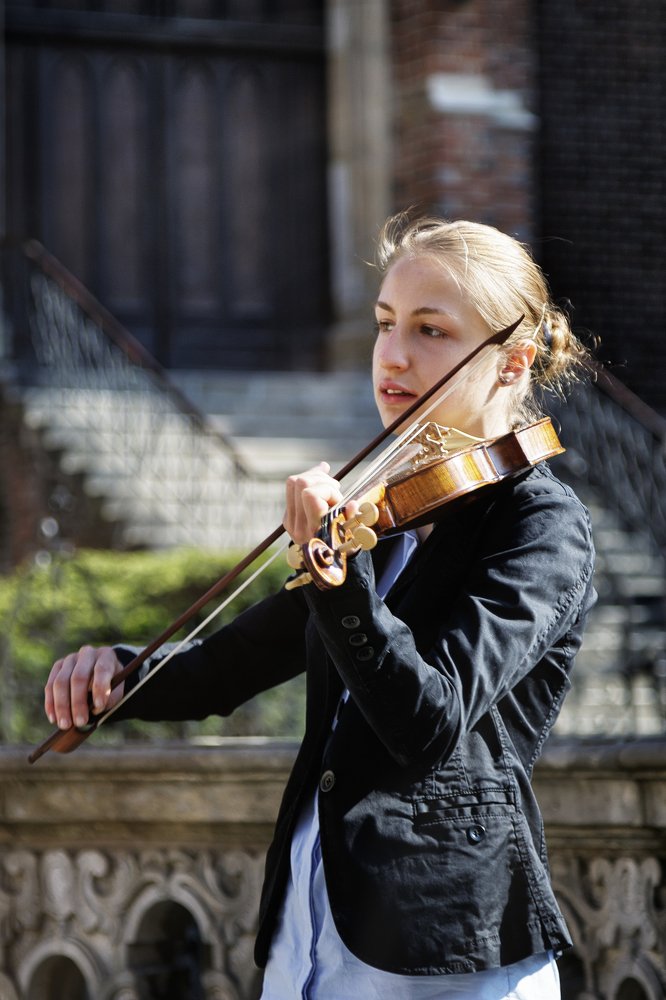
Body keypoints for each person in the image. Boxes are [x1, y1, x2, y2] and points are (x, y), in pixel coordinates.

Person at [45, 214, 596, 999]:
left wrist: (339, 582)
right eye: (383, 325)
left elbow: (427, 722)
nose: (393, 357)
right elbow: (225, 668)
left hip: (444, 956)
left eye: (431, 331)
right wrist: (118, 676)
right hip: (308, 935)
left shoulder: (540, 528)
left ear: (513, 362)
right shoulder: (387, 512)